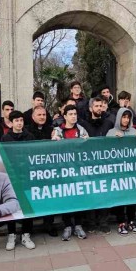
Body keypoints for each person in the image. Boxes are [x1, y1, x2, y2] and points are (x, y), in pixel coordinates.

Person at [0, 110, 37, 250]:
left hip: (27, 176)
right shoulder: (5, 138)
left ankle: (26, 235)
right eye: (16, 121)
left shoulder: (30, 136)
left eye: (21, 120)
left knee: (27, 206)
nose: (19, 123)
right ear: (11, 122)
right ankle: (12, 234)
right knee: (11, 206)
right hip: (11, 178)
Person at [51, 104, 89, 240]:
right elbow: (52, 150)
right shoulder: (57, 131)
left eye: (75, 114)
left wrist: (87, 141)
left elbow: (88, 149)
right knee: (65, 198)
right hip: (63, 171)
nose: (73, 116)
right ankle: (67, 226)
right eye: (71, 114)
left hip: (79, 170)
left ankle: (78, 226)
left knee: (79, 197)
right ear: (65, 116)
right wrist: (54, 142)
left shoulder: (82, 130)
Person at [79, 97, 114, 234]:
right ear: (90, 108)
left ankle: (104, 221)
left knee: (105, 193)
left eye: (101, 105)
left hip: (104, 165)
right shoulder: (84, 124)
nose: (99, 108)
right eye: (97, 106)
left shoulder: (108, 123)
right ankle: (91, 222)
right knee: (90, 193)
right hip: (88, 165)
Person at [106, 107, 136, 235]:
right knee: (120, 198)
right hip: (118, 172)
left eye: (128, 117)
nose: (126, 120)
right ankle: (121, 222)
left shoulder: (134, 131)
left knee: (132, 197)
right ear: (119, 117)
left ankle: (131, 221)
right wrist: (112, 140)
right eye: (124, 117)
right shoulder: (111, 132)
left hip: (132, 171)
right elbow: (104, 150)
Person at [27, 105, 59, 237]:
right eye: (39, 115)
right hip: (32, 169)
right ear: (33, 117)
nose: (42, 117)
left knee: (49, 196)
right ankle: (28, 228)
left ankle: (49, 224)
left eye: (44, 115)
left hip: (48, 170)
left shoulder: (51, 130)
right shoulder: (26, 130)